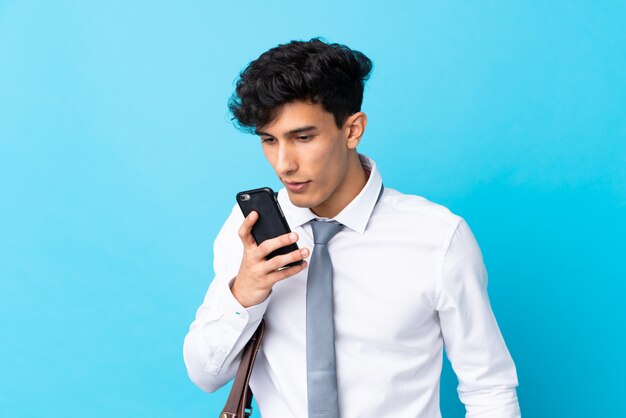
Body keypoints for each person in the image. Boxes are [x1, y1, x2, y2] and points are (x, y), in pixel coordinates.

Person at [183, 37, 521, 417]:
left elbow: (489, 387)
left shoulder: (438, 237)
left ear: (352, 130)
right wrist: (246, 290)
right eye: (269, 140)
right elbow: (205, 375)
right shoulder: (250, 230)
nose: (283, 164)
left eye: (303, 137)